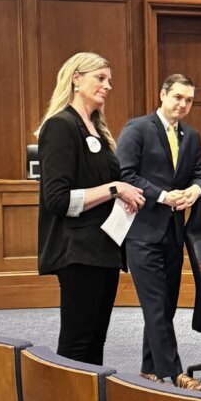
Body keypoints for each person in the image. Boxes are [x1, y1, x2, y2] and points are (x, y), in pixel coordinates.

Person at [37, 53, 144, 365]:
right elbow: (56, 199)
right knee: (76, 344)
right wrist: (115, 189)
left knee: (96, 341)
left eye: (109, 79)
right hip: (78, 251)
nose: (107, 85)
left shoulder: (97, 128)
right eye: (100, 77)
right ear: (76, 78)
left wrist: (126, 193)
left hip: (105, 249)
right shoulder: (60, 126)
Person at [117, 74, 201, 389]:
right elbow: (124, 174)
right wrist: (163, 196)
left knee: (165, 303)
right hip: (141, 233)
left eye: (189, 100)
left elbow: (199, 174)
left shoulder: (191, 136)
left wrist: (195, 191)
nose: (183, 104)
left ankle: (148, 367)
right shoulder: (137, 129)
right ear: (163, 94)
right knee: (155, 304)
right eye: (178, 97)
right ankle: (175, 373)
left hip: (173, 232)